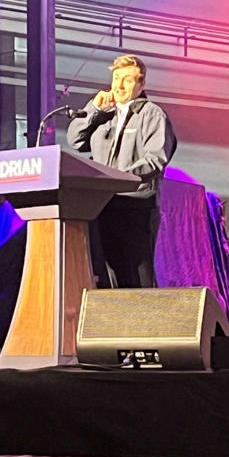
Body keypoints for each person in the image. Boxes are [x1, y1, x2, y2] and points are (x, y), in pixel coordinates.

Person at [67, 54, 177, 288]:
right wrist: (95, 108)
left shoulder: (152, 114)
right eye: (116, 78)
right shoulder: (105, 116)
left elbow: (156, 159)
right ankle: (118, 323)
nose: (118, 85)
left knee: (139, 276)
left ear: (141, 84)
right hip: (103, 205)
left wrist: (118, 179)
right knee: (111, 275)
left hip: (136, 206)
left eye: (127, 79)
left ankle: (147, 323)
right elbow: (75, 140)